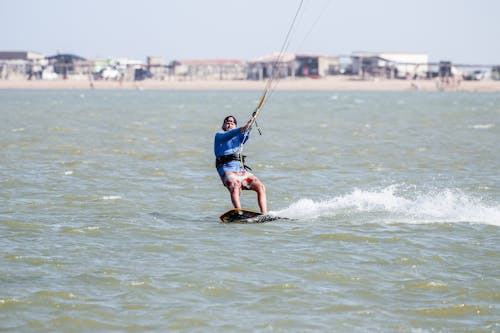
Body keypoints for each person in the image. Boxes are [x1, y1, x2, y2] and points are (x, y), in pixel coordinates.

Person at [214, 115, 267, 214]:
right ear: (224, 125)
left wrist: (250, 124)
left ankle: (264, 214)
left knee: (261, 186)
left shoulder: (238, 137)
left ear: (235, 126)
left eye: (232, 123)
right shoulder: (219, 136)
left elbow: (245, 134)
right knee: (235, 185)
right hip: (226, 168)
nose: (229, 124)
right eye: (227, 122)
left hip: (240, 170)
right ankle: (239, 212)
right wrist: (243, 128)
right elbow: (232, 133)